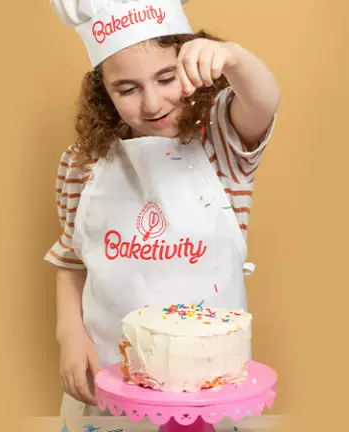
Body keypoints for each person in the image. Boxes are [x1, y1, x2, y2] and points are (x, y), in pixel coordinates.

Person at [45, 0, 280, 417]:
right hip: (109, 379)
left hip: (211, 391)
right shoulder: (80, 162)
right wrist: (69, 334)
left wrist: (234, 59)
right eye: (127, 89)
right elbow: (71, 257)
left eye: (167, 78)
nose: (152, 104)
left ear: (193, 66)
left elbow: (263, 103)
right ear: (104, 93)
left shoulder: (224, 144)